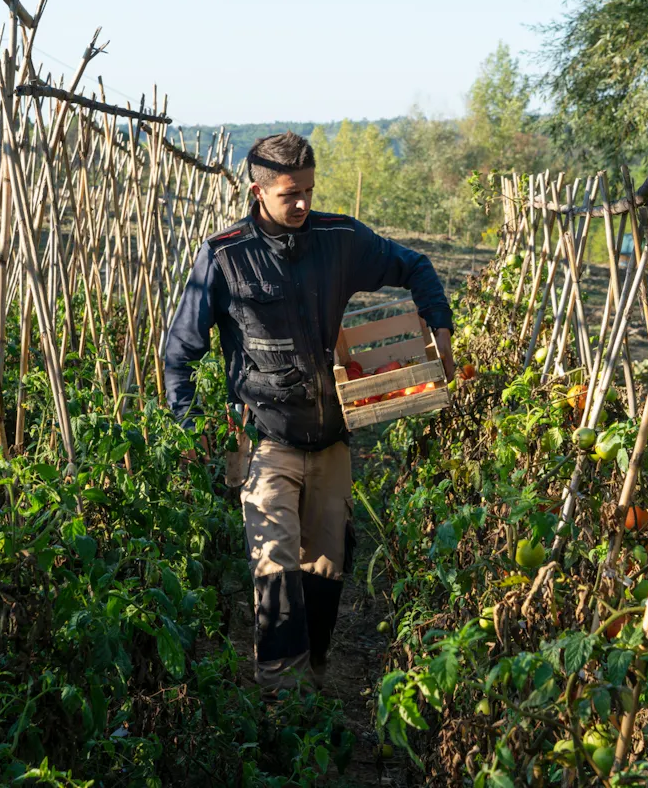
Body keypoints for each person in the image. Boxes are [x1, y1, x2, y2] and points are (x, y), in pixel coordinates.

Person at [162, 131, 454, 694]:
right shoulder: (225, 256)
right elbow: (179, 356)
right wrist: (195, 431)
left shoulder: (339, 239)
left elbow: (415, 265)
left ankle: (314, 680)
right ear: (258, 191)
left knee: (325, 568)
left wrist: (439, 326)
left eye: (309, 192)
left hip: (332, 437)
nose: (302, 204)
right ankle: (279, 695)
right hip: (264, 440)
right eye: (289, 194)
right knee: (274, 569)